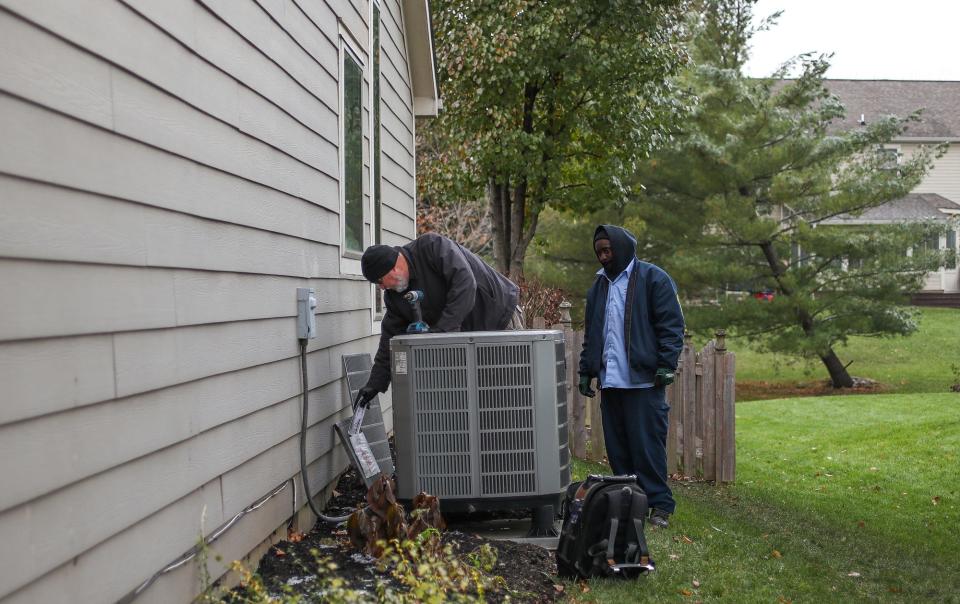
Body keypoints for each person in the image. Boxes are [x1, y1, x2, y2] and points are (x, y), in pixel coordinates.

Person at [578, 225, 685, 528]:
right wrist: (587, 370)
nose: (603, 257)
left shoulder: (653, 279)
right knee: (618, 448)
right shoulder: (598, 287)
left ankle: (660, 505)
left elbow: (671, 325)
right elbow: (593, 336)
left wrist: (666, 363)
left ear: (622, 248)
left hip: (643, 381)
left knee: (647, 446)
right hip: (611, 383)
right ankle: (628, 502)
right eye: (599, 252)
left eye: (607, 251)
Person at [356, 232, 523, 405]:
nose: (382, 288)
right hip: (469, 335)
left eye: (380, 281)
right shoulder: (394, 296)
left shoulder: (432, 247)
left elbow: (465, 285)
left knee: (508, 392)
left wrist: (440, 335)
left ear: (393, 268)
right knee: (480, 400)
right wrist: (375, 383)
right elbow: (390, 337)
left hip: (499, 316)